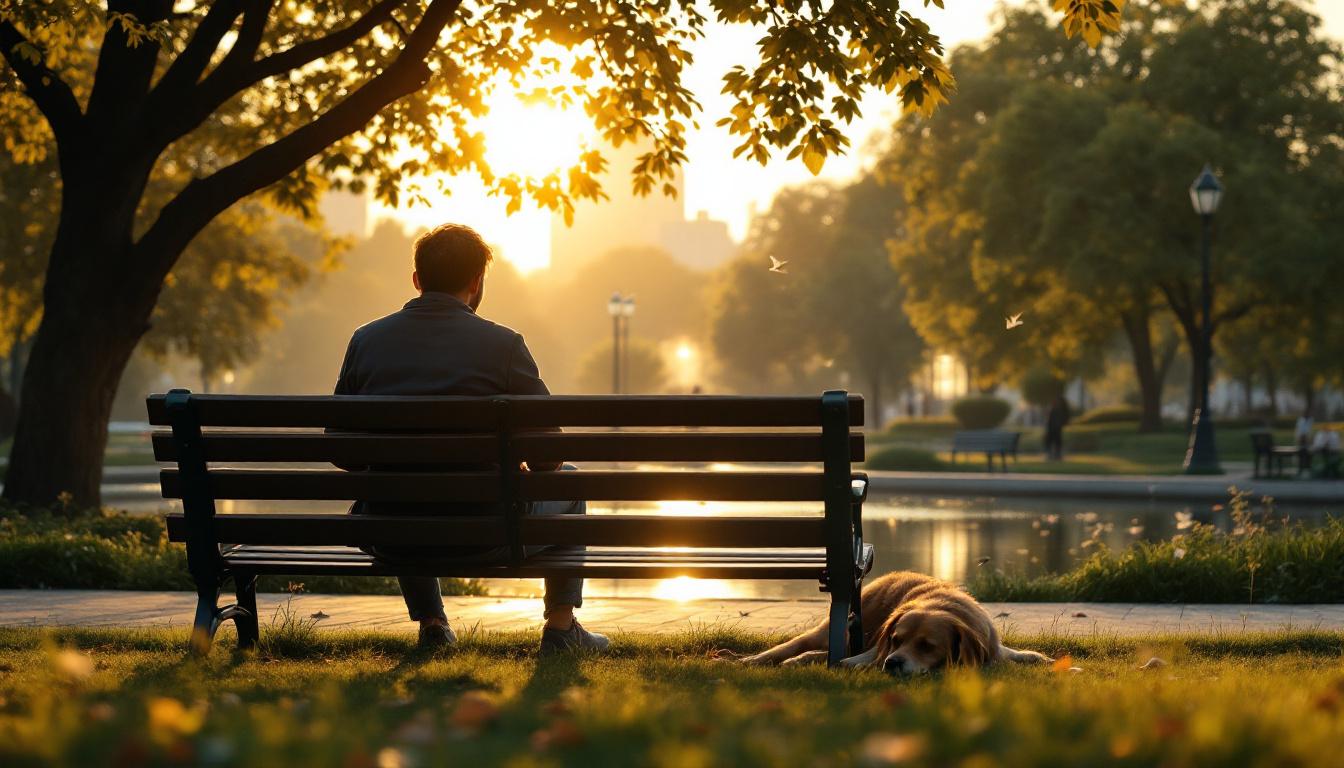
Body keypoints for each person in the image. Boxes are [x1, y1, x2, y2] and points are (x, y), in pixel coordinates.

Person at [333, 223, 608, 654]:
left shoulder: (366, 341)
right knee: (570, 483)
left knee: (404, 489)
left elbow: (342, 451)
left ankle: (433, 625)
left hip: (392, 532)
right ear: (477, 282)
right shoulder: (504, 345)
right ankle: (561, 628)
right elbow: (549, 457)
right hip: (489, 534)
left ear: (417, 280)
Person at [1044, 394, 1070, 461]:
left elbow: (1065, 418)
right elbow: (1049, 420)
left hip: (1056, 428)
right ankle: (1052, 455)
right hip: (1052, 428)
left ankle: (1056, 455)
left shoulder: (1060, 409)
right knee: (1051, 441)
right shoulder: (1054, 409)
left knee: (1056, 441)